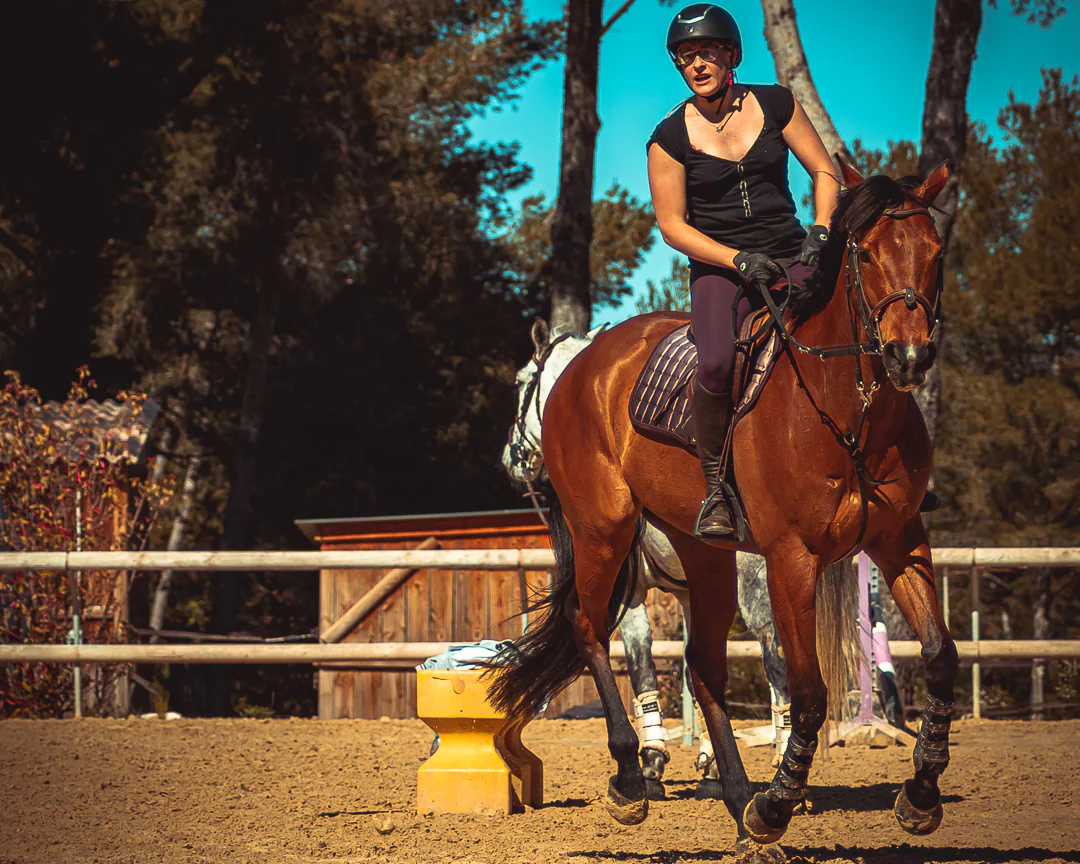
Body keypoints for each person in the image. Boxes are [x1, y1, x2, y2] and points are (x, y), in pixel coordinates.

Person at [647, 3, 840, 540]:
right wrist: (735, 259)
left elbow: (825, 171)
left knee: (859, 325)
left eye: (706, 51)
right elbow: (672, 227)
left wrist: (821, 231)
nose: (697, 64)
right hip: (721, 268)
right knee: (713, 363)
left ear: (731, 54)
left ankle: (880, 460)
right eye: (686, 57)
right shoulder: (668, 138)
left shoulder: (776, 103)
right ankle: (715, 489)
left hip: (793, 253)